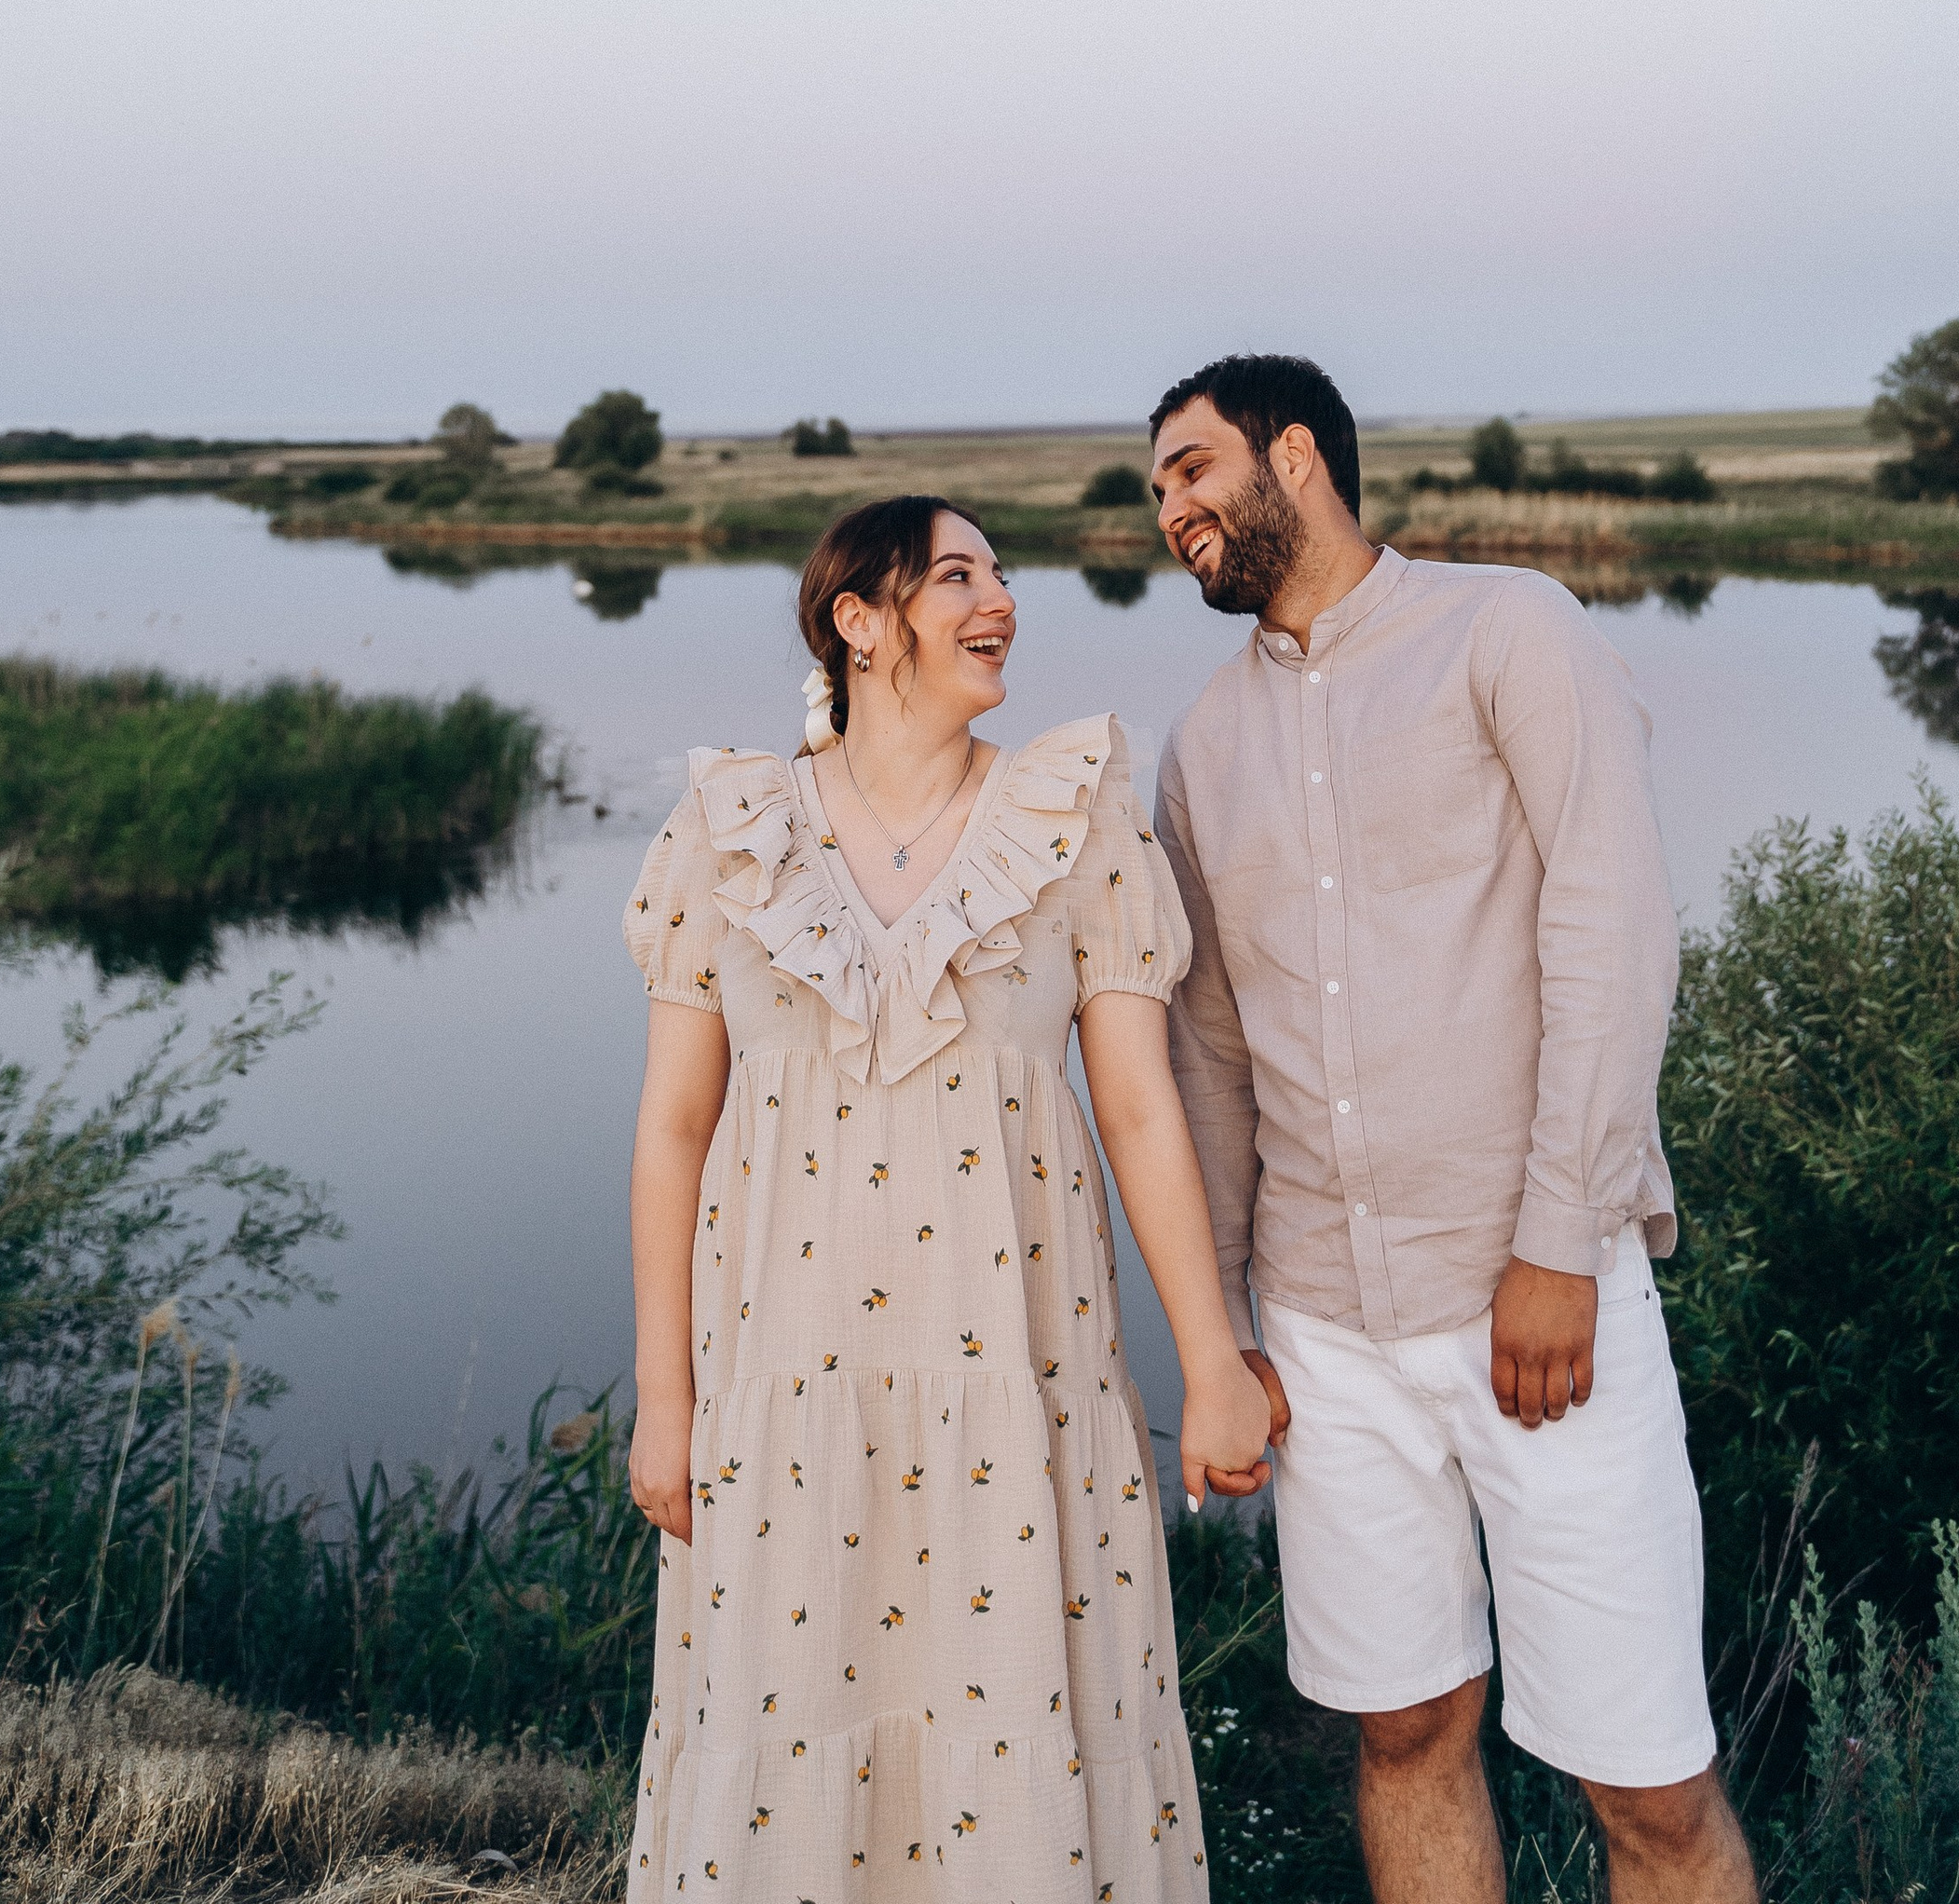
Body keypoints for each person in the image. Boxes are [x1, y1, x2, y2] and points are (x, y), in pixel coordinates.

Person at [1149, 356, 1757, 1904]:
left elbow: (1613, 933)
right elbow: (1208, 1054)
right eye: (1158, 489)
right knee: (1407, 1729)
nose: (1172, 512)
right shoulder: (1202, 749)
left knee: (1649, 1784)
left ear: (1295, 457)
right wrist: (1225, 1327)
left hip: (1540, 1309)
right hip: (1326, 1333)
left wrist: (1561, 1242)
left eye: (1191, 471)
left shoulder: (1509, 630)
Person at [620, 493, 1272, 1899]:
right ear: (860, 622)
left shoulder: (1074, 818)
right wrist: (665, 1399)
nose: (1002, 604)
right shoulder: (730, 832)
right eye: (958, 576)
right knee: (786, 1731)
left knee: (1015, 1739)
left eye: (1002, 574)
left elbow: (1141, 1105)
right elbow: (674, 1127)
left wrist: (1213, 1360)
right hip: (784, 1399)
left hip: (1014, 1395)